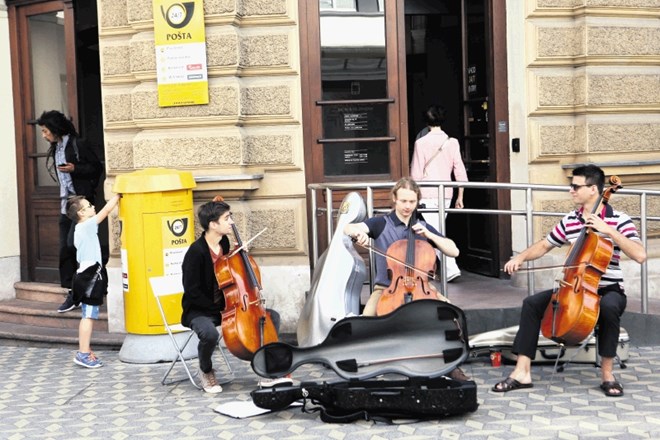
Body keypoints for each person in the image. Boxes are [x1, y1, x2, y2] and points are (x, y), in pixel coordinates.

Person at [493, 164, 646, 397]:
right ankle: (522, 372)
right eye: (570, 186)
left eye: (575, 186)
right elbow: (545, 245)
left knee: (608, 307)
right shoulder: (571, 220)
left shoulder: (619, 220)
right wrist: (521, 257)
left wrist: (609, 231)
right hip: (574, 287)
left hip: (609, 289)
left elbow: (640, 255)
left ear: (593, 189)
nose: (570, 191)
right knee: (532, 304)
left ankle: (607, 374)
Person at [181, 200, 290, 393]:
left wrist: (239, 254)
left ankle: (268, 366)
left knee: (270, 317)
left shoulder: (223, 242)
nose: (231, 222)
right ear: (213, 225)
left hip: (230, 306)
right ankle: (206, 370)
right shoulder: (196, 253)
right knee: (210, 334)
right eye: (226, 218)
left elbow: (228, 270)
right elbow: (192, 292)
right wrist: (224, 309)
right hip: (201, 310)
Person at [37, 110, 102, 313]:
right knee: (65, 249)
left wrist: (76, 169)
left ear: (55, 130)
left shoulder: (77, 144)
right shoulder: (55, 147)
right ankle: (71, 292)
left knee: (74, 245)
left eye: (45, 131)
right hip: (66, 205)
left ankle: (88, 285)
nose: (43, 135)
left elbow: (96, 168)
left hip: (81, 203)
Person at [410, 105, 468, 282]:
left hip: (427, 193)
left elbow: (416, 175)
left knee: (433, 233)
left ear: (427, 123)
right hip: (446, 194)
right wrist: (460, 197)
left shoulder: (421, 143)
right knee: (437, 230)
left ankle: (450, 269)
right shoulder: (453, 142)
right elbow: (460, 172)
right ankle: (440, 268)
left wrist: (413, 198)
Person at [66, 193, 120, 368]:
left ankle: (85, 349)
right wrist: (118, 195)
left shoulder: (79, 229)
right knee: (89, 316)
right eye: (89, 206)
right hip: (90, 276)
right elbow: (105, 211)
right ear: (81, 213)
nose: (92, 207)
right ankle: (82, 353)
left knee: (88, 315)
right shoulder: (86, 226)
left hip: (86, 274)